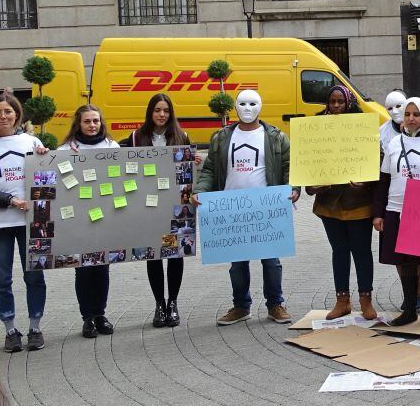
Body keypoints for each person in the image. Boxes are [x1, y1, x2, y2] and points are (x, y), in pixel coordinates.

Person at [193, 90, 300, 325]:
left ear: (260, 106)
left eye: (253, 103)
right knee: (237, 263)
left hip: (266, 208)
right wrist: (200, 190)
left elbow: (288, 166)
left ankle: (275, 304)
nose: (247, 108)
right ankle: (241, 306)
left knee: (271, 261)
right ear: (235, 107)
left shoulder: (275, 137)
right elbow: (210, 169)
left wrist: (293, 187)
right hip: (232, 208)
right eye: (242, 103)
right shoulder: (221, 138)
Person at [122, 93, 199, 328]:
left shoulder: (181, 135)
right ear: (150, 112)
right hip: (146, 206)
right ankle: (159, 305)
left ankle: (173, 303)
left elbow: (189, 169)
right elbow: (110, 158)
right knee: (153, 255)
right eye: (157, 110)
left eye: (165, 110)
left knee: (175, 254)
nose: (161, 115)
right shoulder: (136, 137)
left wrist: (195, 161)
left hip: (175, 206)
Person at [373, 97, 420, 326]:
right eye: (407, 114)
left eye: (415, 114)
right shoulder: (395, 143)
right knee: (404, 261)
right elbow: (384, 179)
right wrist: (378, 213)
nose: (411, 119)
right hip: (396, 210)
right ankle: (410, 309)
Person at [306, 86, 379, 321]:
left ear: (348, 103)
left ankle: (365, 300)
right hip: (330, 205)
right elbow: (307, 165)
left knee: (361, 252)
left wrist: (366, 181)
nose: (336, 106)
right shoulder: (316, 129)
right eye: (332, 102)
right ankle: (342, 300)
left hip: (358, 204)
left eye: (340, 102)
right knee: (339, 252)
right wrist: (315, 186)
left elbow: (376, 161)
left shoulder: (361, 127)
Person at [0, 90, 48, 352]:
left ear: (17, 114)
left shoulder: (31, 141)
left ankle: (35, 328)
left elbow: (45, 175)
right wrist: (10, 201)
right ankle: (10, 330)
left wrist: (45, 157)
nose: (3, 116)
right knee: (0, 279)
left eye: (8, 111)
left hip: (30, 221)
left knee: (34, 275)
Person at [59, 105, 119, 338]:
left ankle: (100, 314)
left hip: (106, 215)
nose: (92, 125)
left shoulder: (112, 147)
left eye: (95, 121)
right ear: (78, 124)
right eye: (87, 121)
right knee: (83, 269)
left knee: (102, 267)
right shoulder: (65, 149)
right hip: (78, 215)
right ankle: (87, 318)